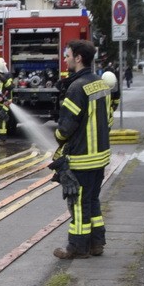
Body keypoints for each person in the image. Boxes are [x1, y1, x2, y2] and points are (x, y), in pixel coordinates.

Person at [49, 40, 111, 259]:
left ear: (78, 58)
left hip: (82, 159)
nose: (64, 59)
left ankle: (77, 247)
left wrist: (56, 138)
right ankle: (97, 243)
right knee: (92, 201)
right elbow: (108, 119)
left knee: (77, 204)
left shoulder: (76, 88)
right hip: (100, 157)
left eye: (67, 55)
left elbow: (65, 127)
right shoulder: (101, 84)